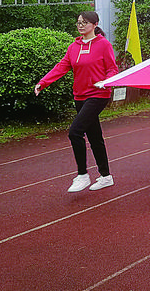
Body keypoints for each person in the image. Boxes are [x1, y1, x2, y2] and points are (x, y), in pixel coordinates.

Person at [34, 11, 118, 192]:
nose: (80, 25)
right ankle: (106, 176)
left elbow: (112, 69)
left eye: (85, 22)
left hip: (98, 95)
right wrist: (43, 83)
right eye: (79, 22)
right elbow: (61, 67)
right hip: (80, 96)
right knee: (95, 136)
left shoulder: (103, 45)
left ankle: (82, 175)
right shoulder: (74, 47)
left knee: (75, 132)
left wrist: (105, 82)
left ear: (95, 24)